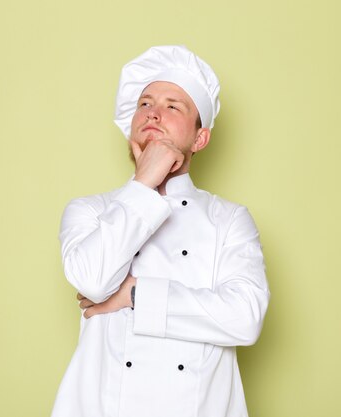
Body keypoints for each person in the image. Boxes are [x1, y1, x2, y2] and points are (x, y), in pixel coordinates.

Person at [50, 45, 270, 417]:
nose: (154, 113)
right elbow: (92, 280)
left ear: (200, 139)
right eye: (145, 104)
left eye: (173, 106)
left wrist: (135, 295)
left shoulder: (229, 219)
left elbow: (245, 318)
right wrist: (144, 182)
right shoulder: (89, 211)